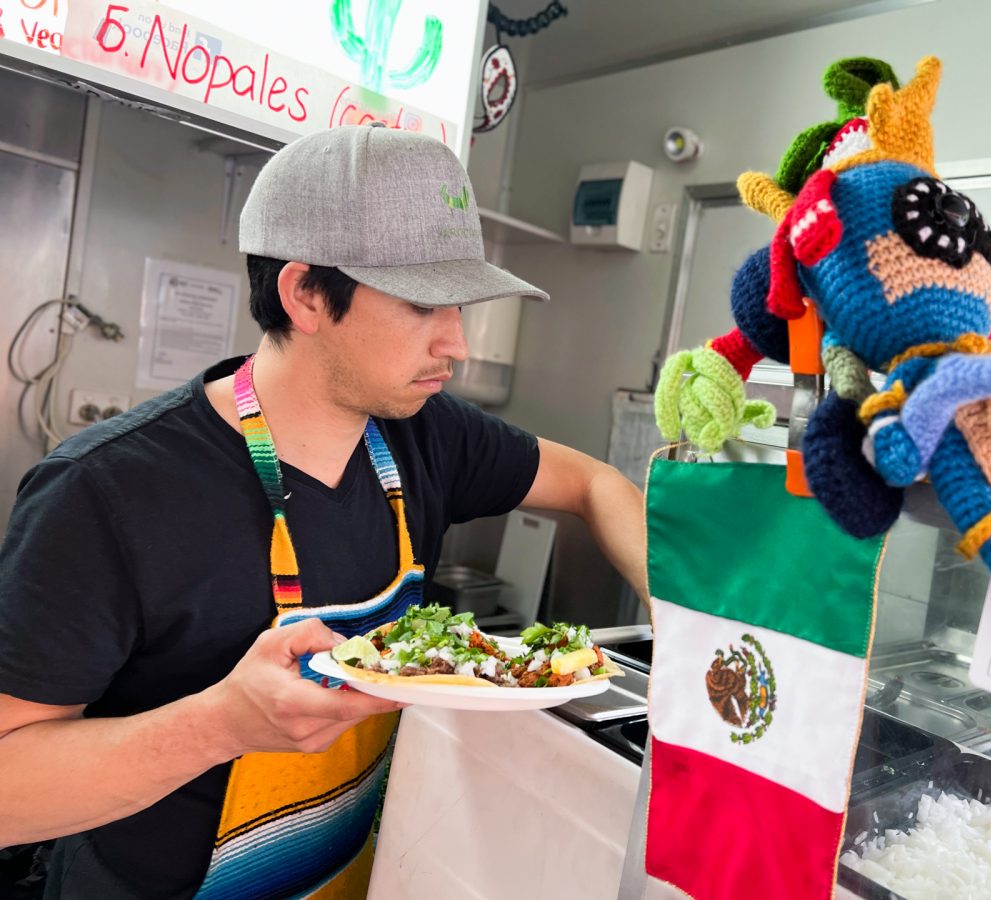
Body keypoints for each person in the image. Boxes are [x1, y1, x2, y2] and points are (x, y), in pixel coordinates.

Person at [0, 125, 648, 899]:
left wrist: (686, 614)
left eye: (462, 305)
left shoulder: (425, 434)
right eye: (423, 305)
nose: (459, 344)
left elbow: (596, 484)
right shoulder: (104, 491)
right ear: (305, 293)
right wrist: (220, 724)